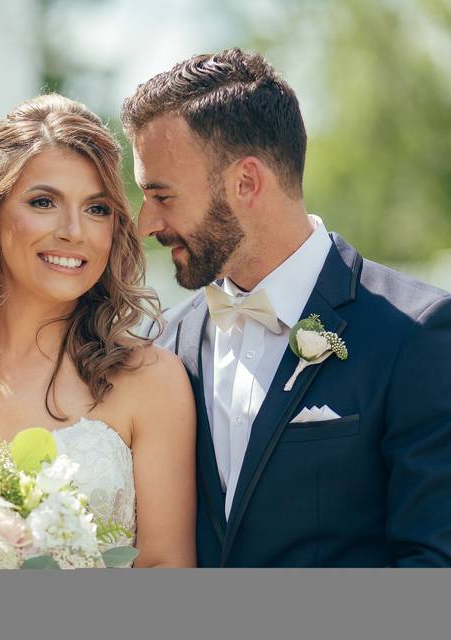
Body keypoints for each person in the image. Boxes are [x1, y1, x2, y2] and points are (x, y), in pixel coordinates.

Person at [123, 48, 451, 567]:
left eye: (162, 196)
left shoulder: (417, 334)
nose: (146, 224)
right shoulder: (164, 347)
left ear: (247, 182)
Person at [0, 94, 196, 567]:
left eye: (97, 209)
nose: (73, 231)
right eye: (44, 202)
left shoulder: (151, 381)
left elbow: (167, 569)